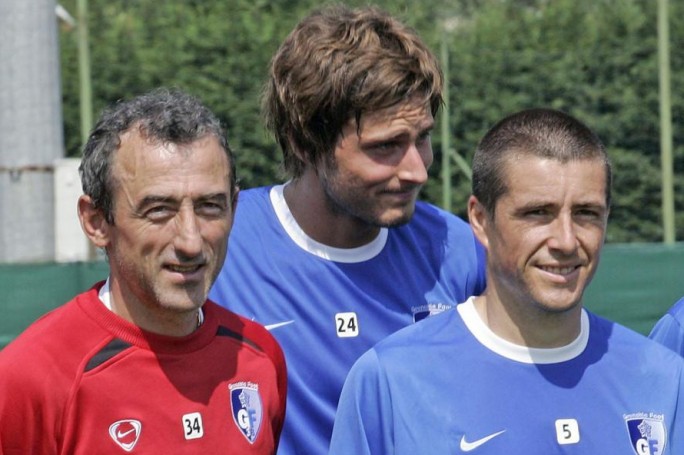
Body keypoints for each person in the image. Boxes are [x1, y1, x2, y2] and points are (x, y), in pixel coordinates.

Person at [208, 5, 486, 454]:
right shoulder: (218, 245)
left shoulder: (459, 252)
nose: (417, 170)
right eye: (386, 146)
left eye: (422, 138)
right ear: (305, 142)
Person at [328, 108, 684, 454]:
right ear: (480, 220)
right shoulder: (391, 379)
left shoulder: (663, 378)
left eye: (586, 213)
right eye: (538, 213)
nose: (566, 241)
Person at [0, 88, 287, 454]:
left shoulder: (260, 356)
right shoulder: (30, 378)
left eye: (210, 206)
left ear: (234, 206)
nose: (190, 241)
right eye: (159, 210)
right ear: (96, 221)